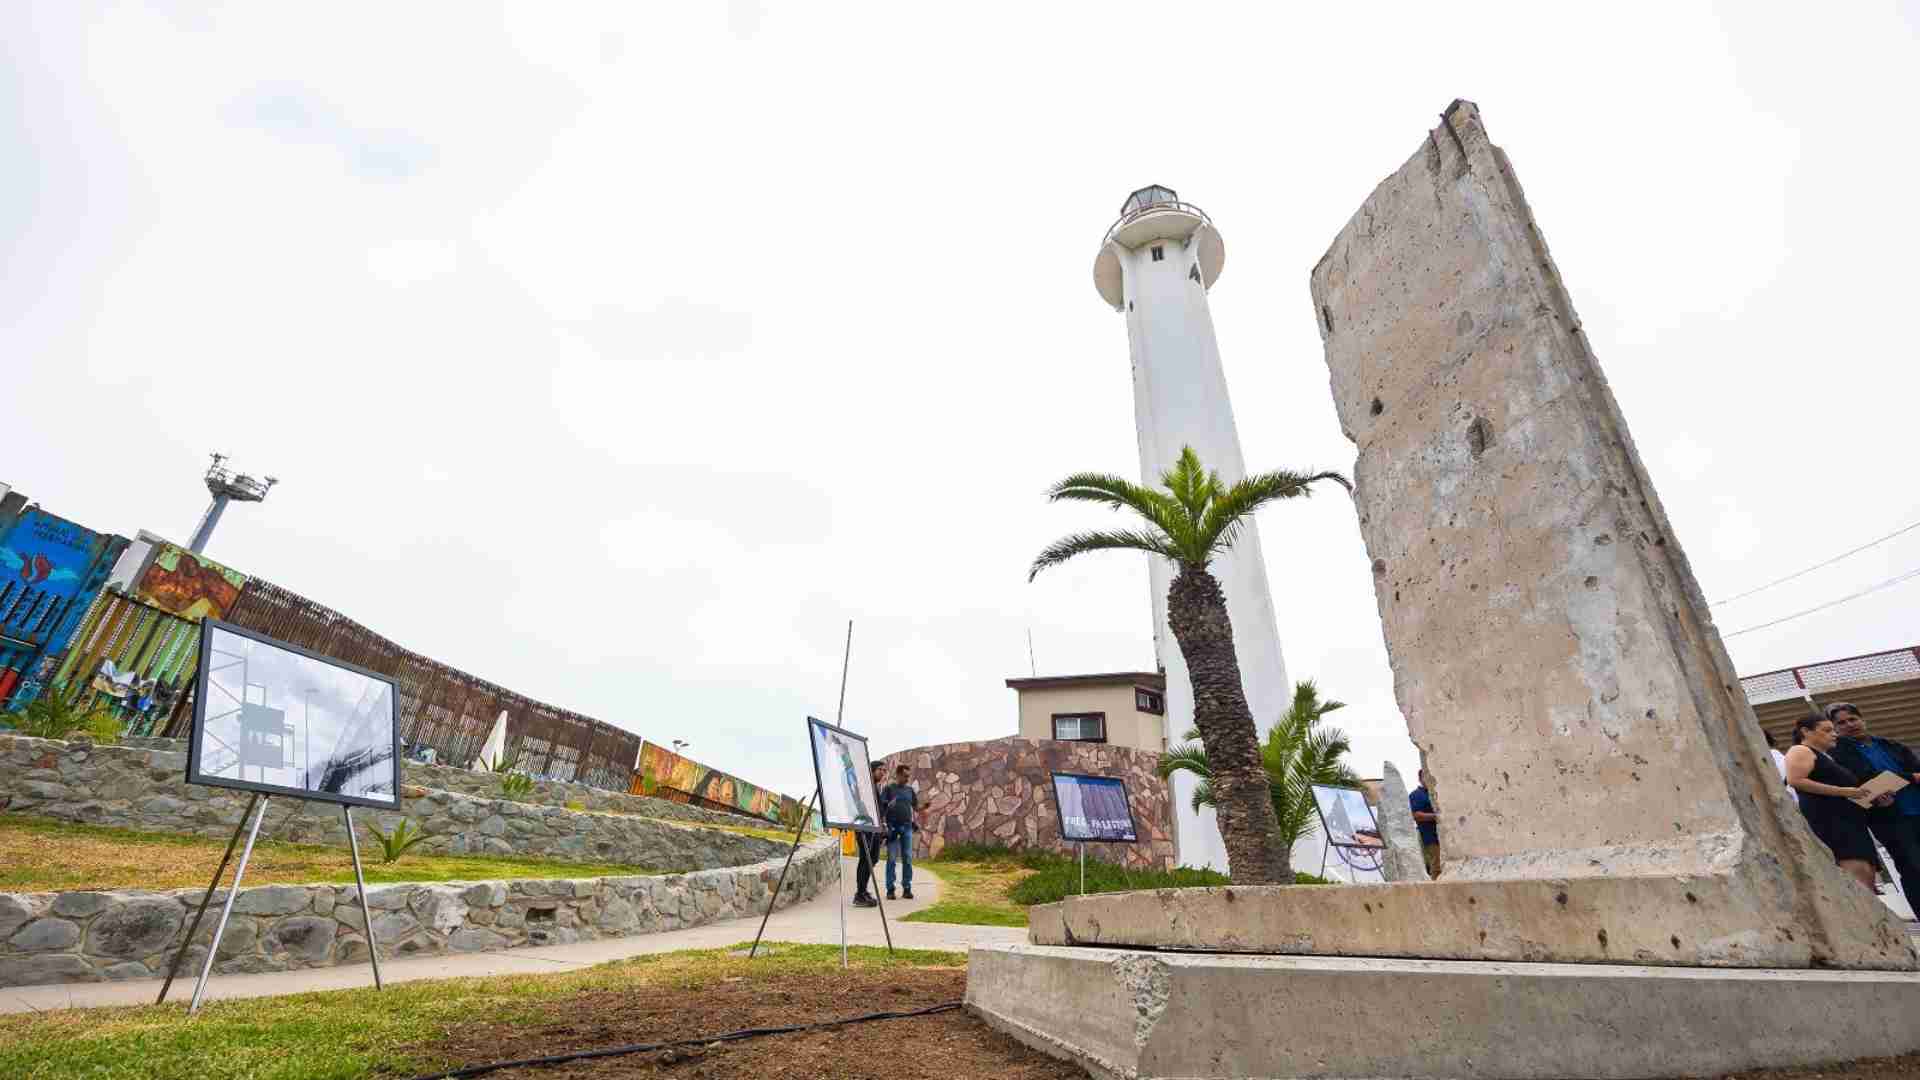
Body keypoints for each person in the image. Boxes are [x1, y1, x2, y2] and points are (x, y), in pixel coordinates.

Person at [1824, 702, 1920, 899]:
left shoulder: (1891, 745)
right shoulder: (1838, 753)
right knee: (1913, 869)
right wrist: (1909, 777)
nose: (1850, 725)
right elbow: (1866, 781)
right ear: (1835, 729)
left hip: (1917, 809)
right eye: (1841, 723)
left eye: (1853, 719)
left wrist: (1893, 779)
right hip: (1890, 820)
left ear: (1862, 720)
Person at [1783, 714, 1877, 890]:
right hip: (1831, 822)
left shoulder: (1828, 757)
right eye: (1826, 730)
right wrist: (1844, 791)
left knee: (1866, 871)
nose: (1834, 734)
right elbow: (1796, 780)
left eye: (1833, 731)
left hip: (1851, 821)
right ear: (1806, 731)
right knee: (1856, 875)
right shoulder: (1801, 750)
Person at [878, 763, 920, 900]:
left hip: (907, 827)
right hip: (892, 828)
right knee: (891, 860)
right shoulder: (889, 789)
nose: (907, 779)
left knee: (907, 859)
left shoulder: (909, 790)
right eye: (905, 776)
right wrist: (888, 807)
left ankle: (907, 888)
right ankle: (890, 890)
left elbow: (916, 807)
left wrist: (924, 807)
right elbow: (882, 807)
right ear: (898, 775)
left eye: (909, 776)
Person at [852, 762, 887, 908]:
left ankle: (863, 891)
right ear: (872, 770)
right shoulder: (865, 786)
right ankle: (860, 895)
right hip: (865, 827)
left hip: (874, 829)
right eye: (880, 770)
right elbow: (859, 803)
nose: (883, 773)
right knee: (865, 859)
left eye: (884, 771)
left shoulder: (875, 787)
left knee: (872, 859)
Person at [1409, 771, 1442, 879]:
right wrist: (1437, 816)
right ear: (1420, 779)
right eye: (1425, 777)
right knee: (1436, 866)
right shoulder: (1416, 795)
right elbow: (1416, 815)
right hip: (1430, 836)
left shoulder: (1435, 792)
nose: (1428, 779)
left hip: (1443, 835)